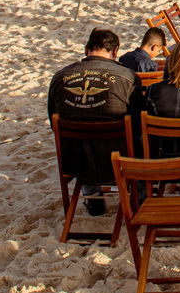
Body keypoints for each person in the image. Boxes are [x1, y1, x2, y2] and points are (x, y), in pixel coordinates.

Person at [47, 27, 144, 215]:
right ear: (116, 52)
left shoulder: (60, 77)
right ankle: (138, 197)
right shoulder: (127, 77)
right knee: (139, 138)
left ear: (86, 50)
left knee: (83, 140)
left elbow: (53, 123)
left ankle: (93, 198)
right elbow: (138, 123)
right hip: (118, 160)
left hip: (75, 162)